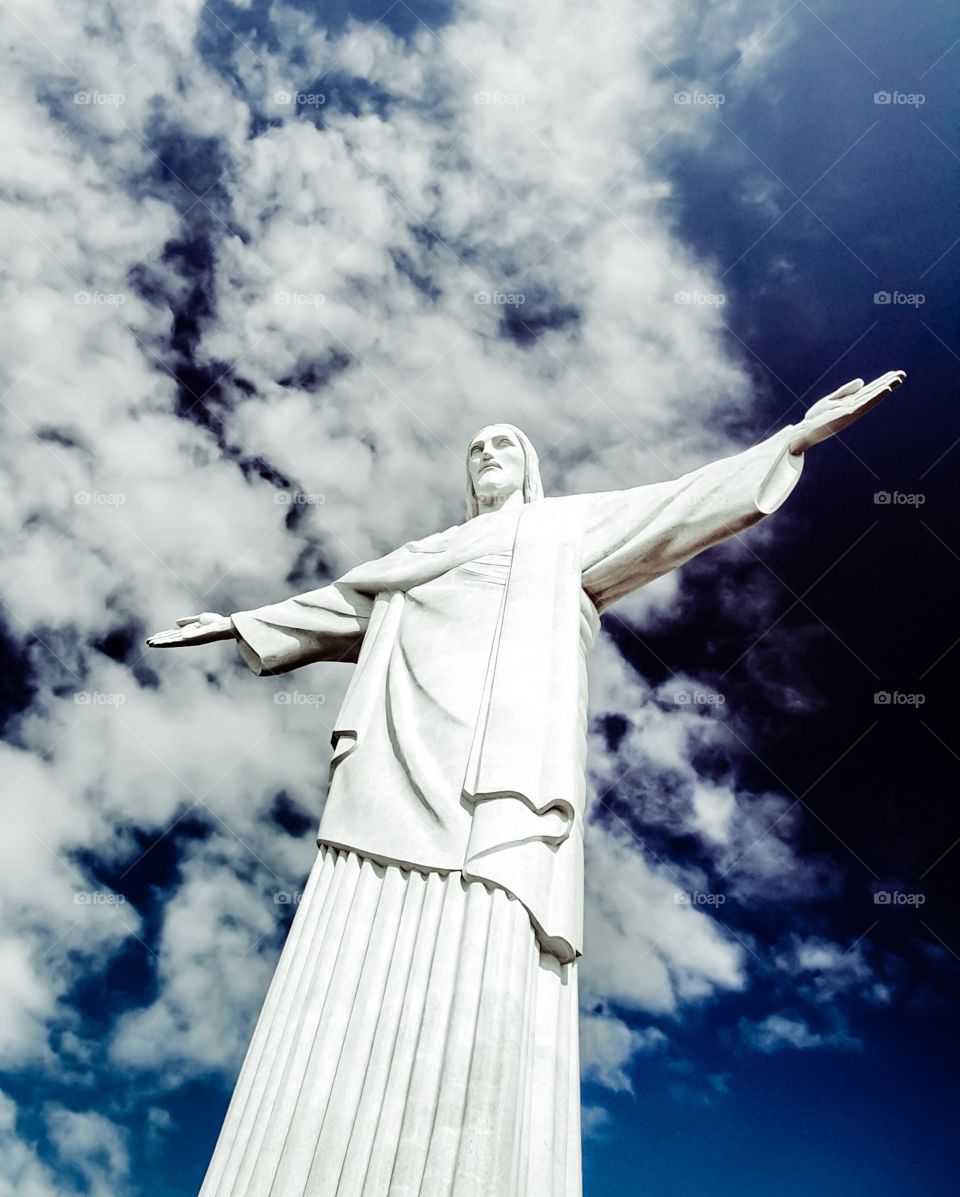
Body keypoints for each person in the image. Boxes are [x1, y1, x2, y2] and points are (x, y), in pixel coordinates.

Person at [148, 370, 905, 1197]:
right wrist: (236, 622)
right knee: (351, 929)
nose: (485, 455)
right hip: (394, 759)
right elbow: (342, 605)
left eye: (502, 443)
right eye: (475, 449)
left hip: (500, 770)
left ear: (529, 465)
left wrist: (791, 438)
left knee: (488, 930)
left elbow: (678, 507)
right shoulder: (420, 558)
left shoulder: (564, 529)